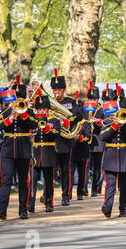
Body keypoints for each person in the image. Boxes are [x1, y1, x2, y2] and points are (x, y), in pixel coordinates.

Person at [0, 77, 38, 220]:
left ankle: (23, 210)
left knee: (24, 181)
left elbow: (34, 125)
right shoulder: (5, 111)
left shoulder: (28, 111)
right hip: (8, 149)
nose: (18, 100)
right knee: (6, 181)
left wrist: (23, 115)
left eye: (20, 98)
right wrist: (10, 118)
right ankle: (2, 210)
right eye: (16, 98)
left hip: (23, 148)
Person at [98, 85, 126, 218]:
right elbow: (102, 136)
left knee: (124, 185)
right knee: (110, 184)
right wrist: (114, 125)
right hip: (111, 155)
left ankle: (123, 209)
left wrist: (123, 124)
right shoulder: (108, 120)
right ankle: (107, 207)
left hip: (124, 155)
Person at [50, 68, 83, 206]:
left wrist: (67, 121)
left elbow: (79, 115)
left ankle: (66, 195)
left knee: (65, 169)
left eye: (60, 89)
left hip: (65, 140)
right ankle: (48, 196)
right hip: (52, 139)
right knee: (49, 169)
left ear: (64, 89)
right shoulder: (48, 102)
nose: (57, 92)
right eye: (55, 90)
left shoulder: (70, 101)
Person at [27, 90, 62, 213]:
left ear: (48, 109)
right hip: (35, 153)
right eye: (39, 109)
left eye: (44, 109)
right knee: (33, 180)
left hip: (48, 153)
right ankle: (30, 204)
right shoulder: (33, 121)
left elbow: (56, 135)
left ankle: (49, 203)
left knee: (48, 181)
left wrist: (47, 127)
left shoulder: (54, 121)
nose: (41, 111)